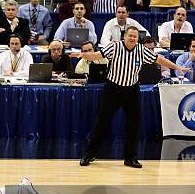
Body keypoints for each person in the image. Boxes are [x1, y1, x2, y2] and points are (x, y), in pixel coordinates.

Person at [72, 26, 189, 168]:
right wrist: (83, 55)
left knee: (134, 124)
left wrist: (177, 68)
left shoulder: (141, 50)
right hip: (113, 89)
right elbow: (97, 55)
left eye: (135, 36)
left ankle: (130, 157)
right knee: (102, 122)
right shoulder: (114, 47)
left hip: (132, 90)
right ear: (124, 37)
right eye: (130, 36)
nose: (132, 38)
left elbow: (159, 60)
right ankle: (89, 154)